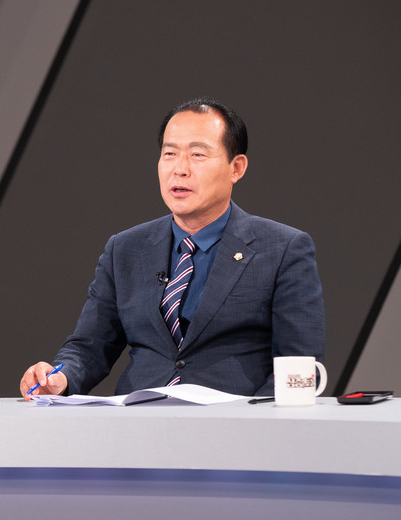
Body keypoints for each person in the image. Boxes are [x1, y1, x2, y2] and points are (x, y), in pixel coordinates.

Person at [20, 98, 325, 399]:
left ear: (236, 168)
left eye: (197, 155)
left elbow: (300, 366)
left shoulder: (283, 249)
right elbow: (89, 347)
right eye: (169, 154)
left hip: (236, 422)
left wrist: (251, 419)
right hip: (139, 419)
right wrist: (59, 378)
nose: (179, 169)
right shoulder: (125, 249)